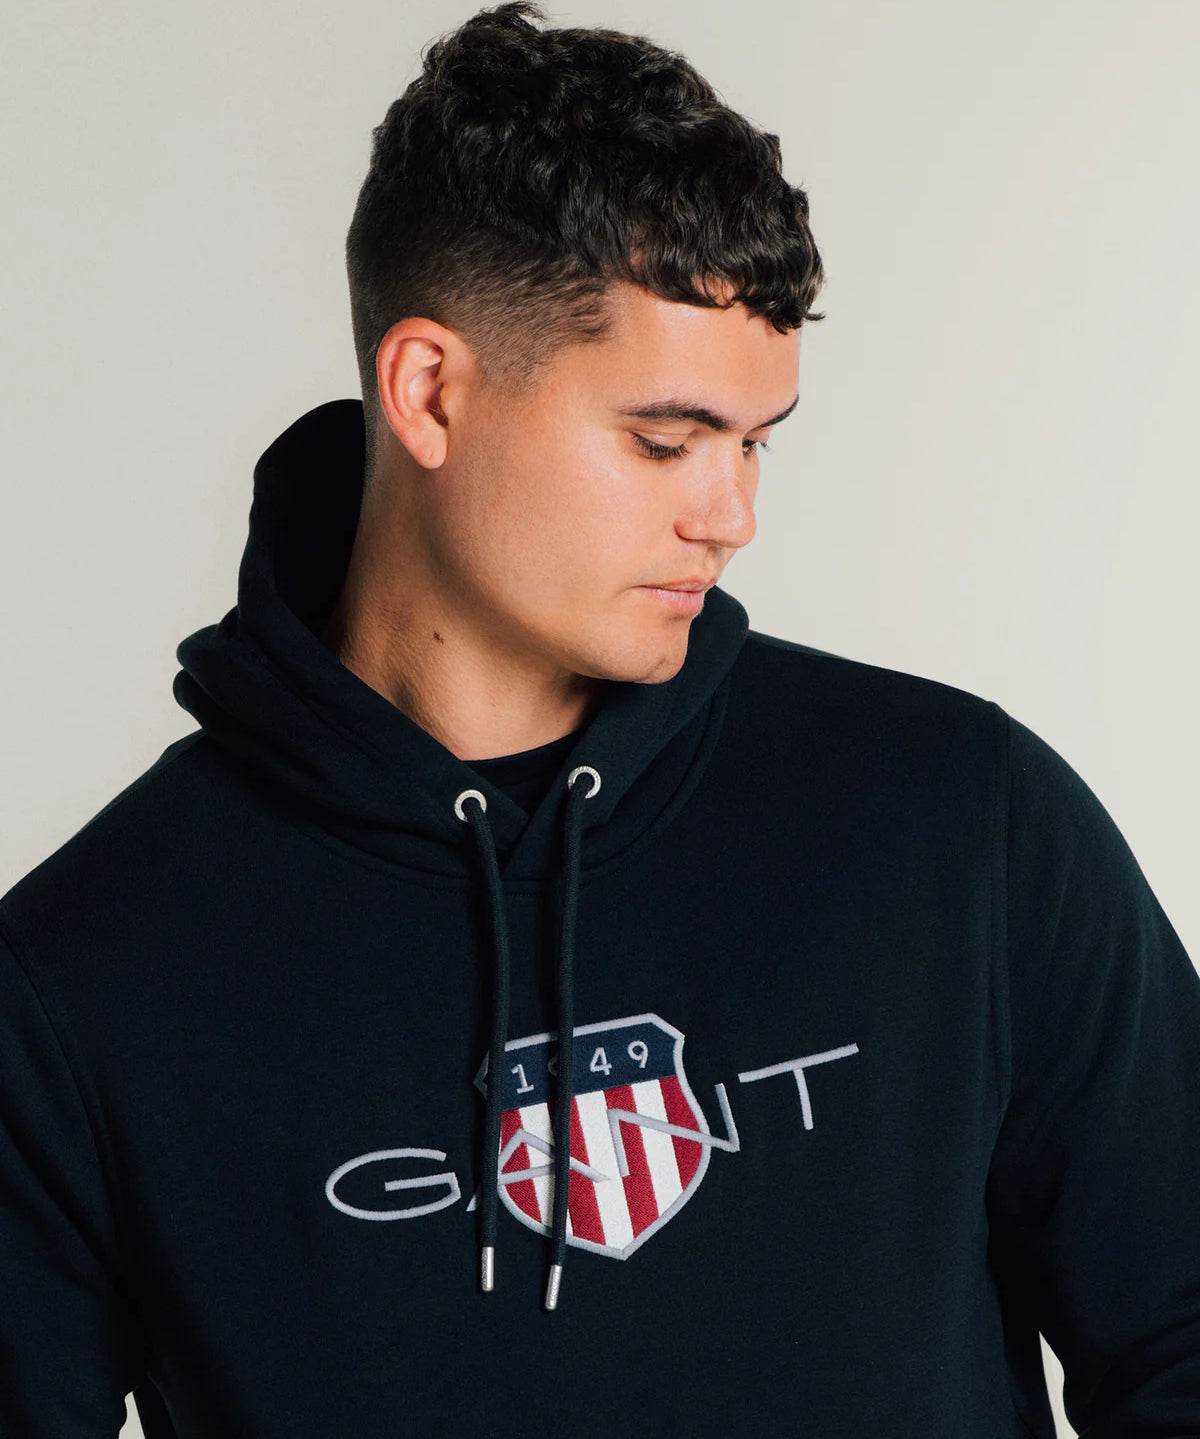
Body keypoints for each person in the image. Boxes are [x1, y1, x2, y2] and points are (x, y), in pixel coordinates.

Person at [2, 2, 1198, 1434]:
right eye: (665, 440)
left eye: (755, 444)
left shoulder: (959, 820)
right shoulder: (83, 976)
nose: (732, 515)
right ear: (430, 392)